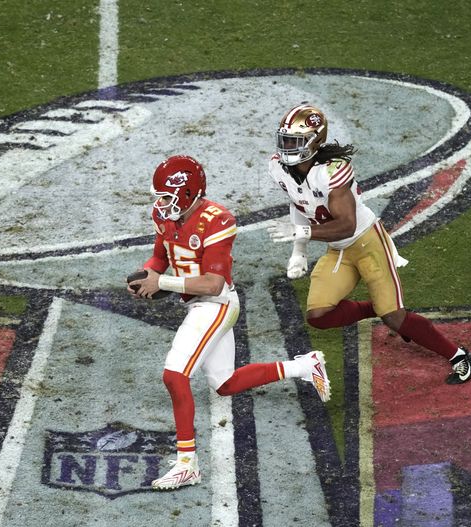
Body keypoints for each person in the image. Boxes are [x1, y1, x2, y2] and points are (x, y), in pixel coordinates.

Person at [128, 154, 331, 490]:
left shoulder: (217, 220)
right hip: (197, 304)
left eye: (167, 197)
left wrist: (160, 283)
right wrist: (147, 274)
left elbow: (213, 284)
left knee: (174, 375)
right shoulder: (164, 216)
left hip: (216, 303)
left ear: (189, 192)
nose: (161, 205)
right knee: (225, 383)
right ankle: (305, 367)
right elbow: (161, 257)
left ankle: (186, 464)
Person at [266, 103, 471, 384]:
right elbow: (299, 203)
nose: (287, 147)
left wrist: (302, 234)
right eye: (285, 140)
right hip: (339, 249)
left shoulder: (332, 171)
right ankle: (376, 308)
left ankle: (461, 357)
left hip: (368, 243)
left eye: (295, 141)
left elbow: (346, 224)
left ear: (314, 141)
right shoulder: (278, 167)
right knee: (318, 315)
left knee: (394, 318)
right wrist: (299, 252)